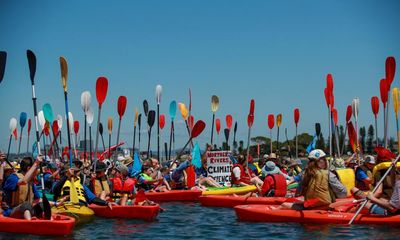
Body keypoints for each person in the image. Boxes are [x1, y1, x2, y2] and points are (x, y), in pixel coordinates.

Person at [281, 149, 347, 210]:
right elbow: (343, 193)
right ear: (320, 161)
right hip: (327, 205)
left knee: (283, 205)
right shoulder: (329, 174)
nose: (326, 161)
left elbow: (298, 193)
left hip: (309, 206)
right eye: (324, 159)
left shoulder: (304, 174)